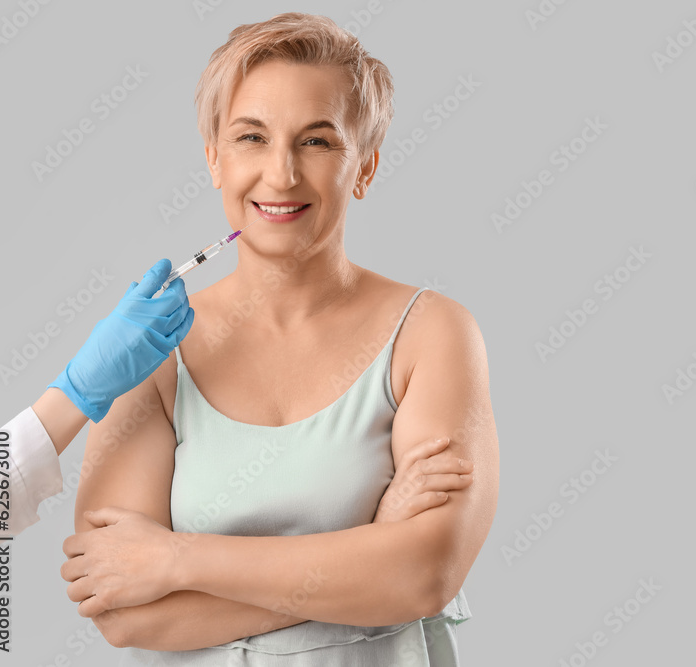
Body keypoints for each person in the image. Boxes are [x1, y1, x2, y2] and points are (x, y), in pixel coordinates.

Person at [59, 12, 499, 666]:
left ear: (366, 166)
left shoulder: (432, 333)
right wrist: (371, 549)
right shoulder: (151, 354)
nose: (282, 174)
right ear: (214, 158)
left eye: (317, 142)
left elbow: (425, 576)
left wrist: (176, 560)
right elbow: (122, 610)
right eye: (251, 138)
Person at [0, 260, 193, 555]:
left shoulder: (159, 342)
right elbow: (114, 577)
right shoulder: (166, 355)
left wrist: (186, 562)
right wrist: (75, 392)